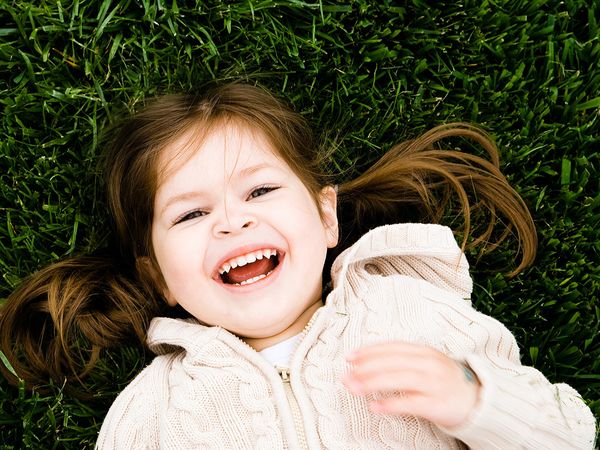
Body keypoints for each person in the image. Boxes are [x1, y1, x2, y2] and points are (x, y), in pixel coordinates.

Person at [0, 82, 595, 449]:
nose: (231, 222)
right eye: (190, 215)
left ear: (326, 219)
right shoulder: (152, 411)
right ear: (159, 278)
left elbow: (570, 435)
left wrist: (475, 400)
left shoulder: (409, 312)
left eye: (259, 192)